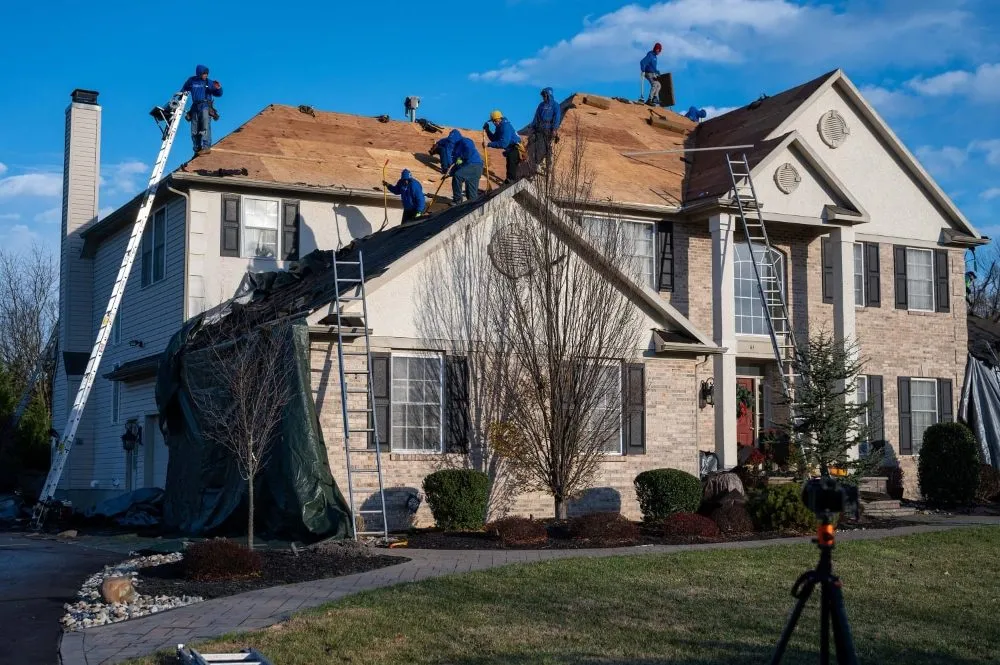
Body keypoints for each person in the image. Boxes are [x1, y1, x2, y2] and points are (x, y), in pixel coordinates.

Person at [181, 65, 223, 155]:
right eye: (204, 74)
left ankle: (206, 147)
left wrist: (219, 88)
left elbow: (218, 94)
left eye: (207, 74)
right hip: (195, 107)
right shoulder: (191, 80)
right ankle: (197, 149)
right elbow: (183, 90)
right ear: (199, 73)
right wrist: (179, 97)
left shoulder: (209, 82)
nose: (206, 75)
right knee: (194, 130)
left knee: (205, 127)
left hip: (205, 106)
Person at [528, 87, 562, 176]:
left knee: (548, 149)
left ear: (548, 94)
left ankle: (547, 166)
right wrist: (532, 127)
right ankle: (538, 165)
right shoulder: (541, 105)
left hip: (549, 130)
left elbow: (557, 118)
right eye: (542, 95)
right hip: (540, 129)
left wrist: (554, 129)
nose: (543, 97)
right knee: (540, 147)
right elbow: (536, 117)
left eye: (544, 95)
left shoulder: (555, 105)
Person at [484, 110, 522, 184]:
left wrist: (488, 144)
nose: (494, 123)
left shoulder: (505, 126)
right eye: (492, 121)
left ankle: (511, 182)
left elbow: (503, 143)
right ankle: (509, 181)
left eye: (494, 121)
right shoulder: (499, 127)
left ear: (499, 119)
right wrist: (487, 130)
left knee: (511, 166)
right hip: (510, 149)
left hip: (515, 148)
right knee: (509, 165)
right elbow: (494, 139)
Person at [446, 129, 483, 204]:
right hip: (471, 168)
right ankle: (472, 206)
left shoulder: (466, 141)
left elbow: (469, 150)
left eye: (452, 139)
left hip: (474, 165)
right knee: (471, 195)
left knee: (457, 176)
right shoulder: (455, 148)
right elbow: (456, 163)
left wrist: (462, 158)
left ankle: (457, 200)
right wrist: (449, 173)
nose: (451, 141)